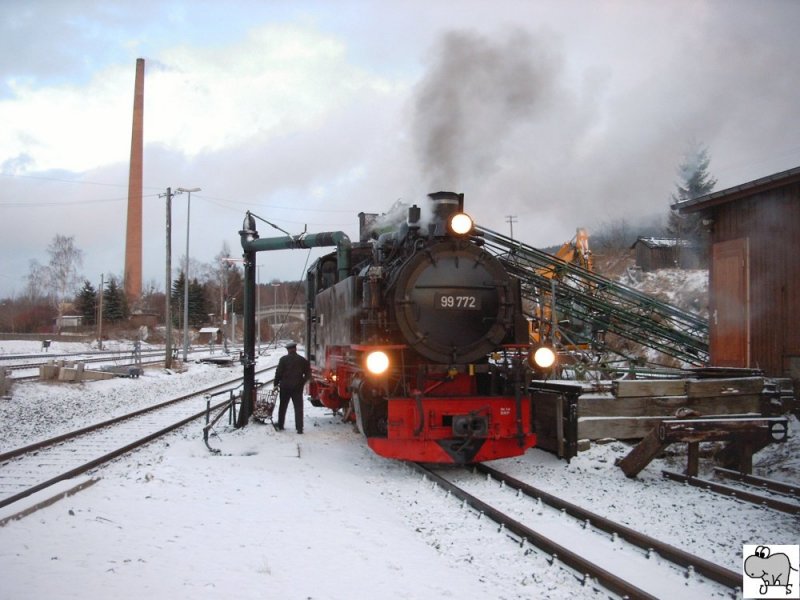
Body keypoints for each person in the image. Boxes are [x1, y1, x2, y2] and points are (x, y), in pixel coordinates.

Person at [274, 341, 311, 433]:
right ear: (295, 349)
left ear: (288, 350)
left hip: (285, 387)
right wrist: (302, 382)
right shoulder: (302, 360)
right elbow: (308, 375)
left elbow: (278, 373)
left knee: (282, 406)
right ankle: (299, 428)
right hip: (297, 387)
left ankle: (281, 425)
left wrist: (275, 384)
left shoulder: (283, 360)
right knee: (298, 408)